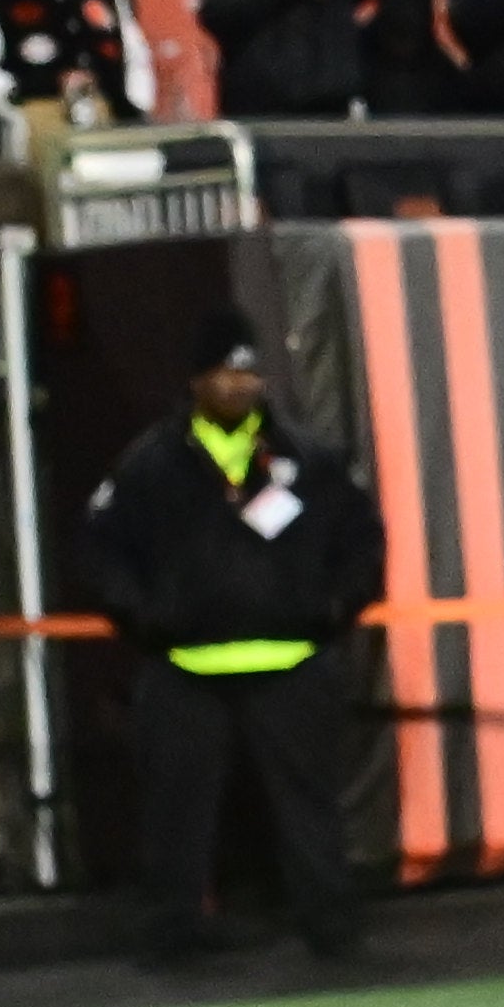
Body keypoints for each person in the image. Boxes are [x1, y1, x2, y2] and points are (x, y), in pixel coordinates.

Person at [78, 312, 384, 971]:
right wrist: (146, 621)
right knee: (175, 811)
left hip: (293, 662)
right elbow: (102, 554)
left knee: (309, 808)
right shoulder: (149, 465)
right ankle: (173, 932)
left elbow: (363, 543)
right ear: (195, 379)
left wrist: (330, 612)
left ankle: (332, 930)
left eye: (249, 370)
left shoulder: (308, 460)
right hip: (184, 667)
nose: (240, 384)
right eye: (225, 371)